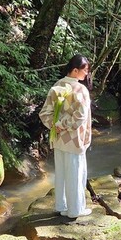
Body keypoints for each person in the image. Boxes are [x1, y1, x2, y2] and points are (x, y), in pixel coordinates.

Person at [39, 54, 93, 219]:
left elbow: (44, 113)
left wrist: (56, 126)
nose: (87, 74)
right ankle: (75, 210)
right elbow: (80, 116)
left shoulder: (57, 85)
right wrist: (64, 125)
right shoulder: (80, 89)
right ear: (75, 70)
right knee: (76, 173)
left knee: (62, 173)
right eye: (85, 71)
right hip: (74, 139)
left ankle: (61, 206)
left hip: (58, 137)